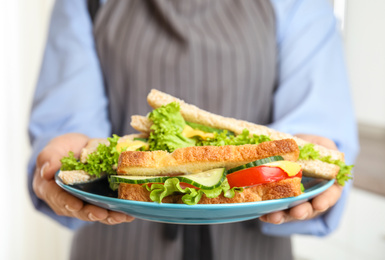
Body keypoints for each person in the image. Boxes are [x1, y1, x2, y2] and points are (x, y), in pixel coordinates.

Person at [28, 0, 359, 259]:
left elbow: (317, 113)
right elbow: (69, 119)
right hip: (113, 240)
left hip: (253, 248)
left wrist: (305, 150)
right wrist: (68, 150)